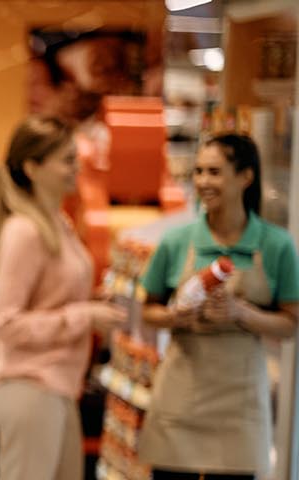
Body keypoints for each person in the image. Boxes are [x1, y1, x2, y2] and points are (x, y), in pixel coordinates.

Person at [136, 134, 299, 480]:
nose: (202, 182)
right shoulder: (176, 241)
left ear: (245, 177)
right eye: (198, 172)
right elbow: (147, 310)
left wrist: (242, 313)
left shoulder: (276, 245)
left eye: (214, 172)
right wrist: (173, 316)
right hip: (180, 398)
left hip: (239, 405)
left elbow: (291, 324)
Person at [0, 116, 127, 480]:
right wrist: (84, 315)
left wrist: (96, 300)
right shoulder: (25, 231)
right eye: (67, 160)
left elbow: (52, 300)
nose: (77, 168)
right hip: (30, 389)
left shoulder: (58, 223)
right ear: (33, 167)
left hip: (59, 389)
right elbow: (4, 324)